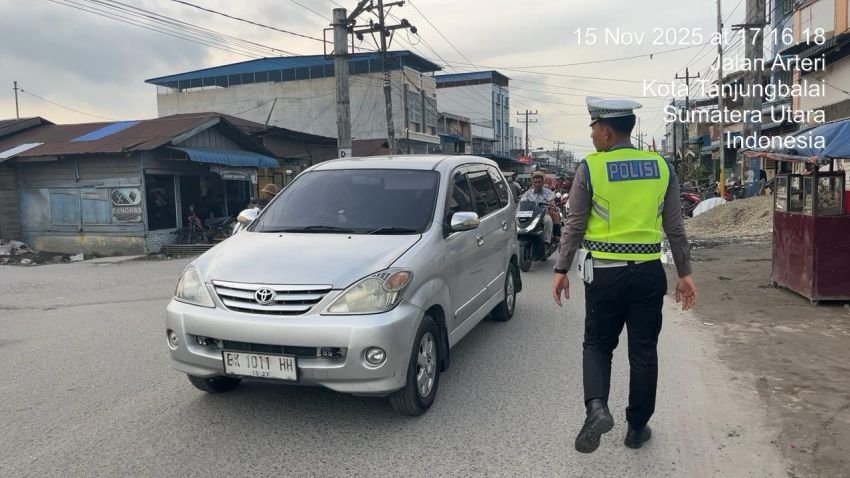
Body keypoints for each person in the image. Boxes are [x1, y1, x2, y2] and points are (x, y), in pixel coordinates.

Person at [551, 96, 698, 454]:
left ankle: (597, 408)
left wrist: (561, 268)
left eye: (593, 128)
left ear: (605, 130)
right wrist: (685, 273)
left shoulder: (592, 168)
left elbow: (575, 222)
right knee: (644, 352)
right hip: (648, 273)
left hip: (605, 275)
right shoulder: (662, 166)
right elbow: (675, 227)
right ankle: (636, 428)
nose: (591, 135)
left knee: (598, 344)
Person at [521, 171, 555, 245]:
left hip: (542, 214)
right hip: (530, 215)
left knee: (548, 220)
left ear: (543, 182)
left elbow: (551, 202)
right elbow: (522, 202)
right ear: (532, 183)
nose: (537, 184)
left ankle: (547, 242)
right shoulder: (528, 193)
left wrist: (550, 205)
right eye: (535, 182)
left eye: (539, 182)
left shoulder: (548, 192)